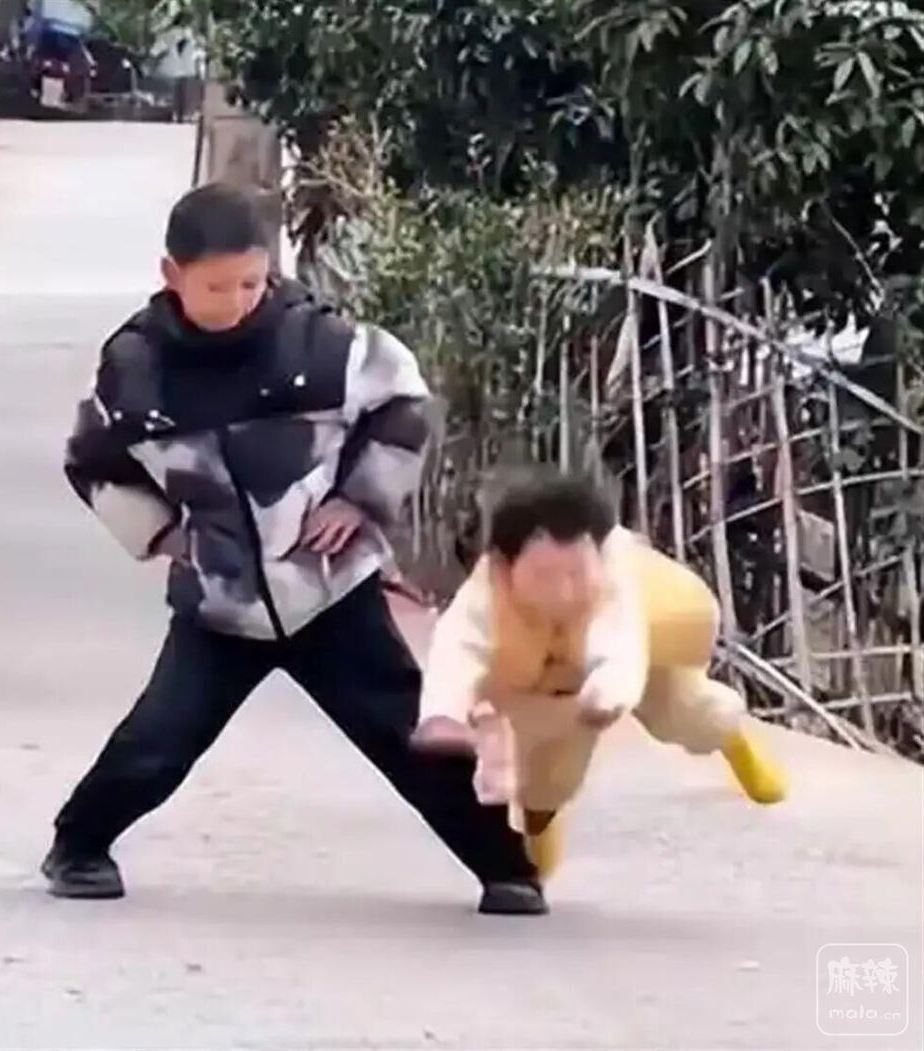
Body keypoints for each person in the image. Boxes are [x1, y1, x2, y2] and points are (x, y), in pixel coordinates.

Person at [42, 183, 545, 916]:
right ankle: (78, 846)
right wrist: (163, 534)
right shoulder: (134, 367)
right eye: (217, 287)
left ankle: (507, 866)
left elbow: (405, 404)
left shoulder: (324, 345)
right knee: (160, 736)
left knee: (408, 734)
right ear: (171, 274)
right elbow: (91, 460)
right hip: (221, 603)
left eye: (252, 282)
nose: (237, 300)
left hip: (330, 591)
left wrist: (361, 499)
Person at [411, 469, 787, 880]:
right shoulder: (486, 592)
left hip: (635, 649)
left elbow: (619, 643)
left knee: (688, 713)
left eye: (575, 575)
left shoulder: (614, 577)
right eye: (544, 577)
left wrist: (607, 693)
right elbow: (457, 647)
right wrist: (442, 714)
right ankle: (535, 848)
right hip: (542, 681)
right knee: (543, 774)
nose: (564, 592)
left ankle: (735, 742)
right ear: (505, 565)